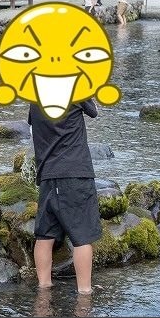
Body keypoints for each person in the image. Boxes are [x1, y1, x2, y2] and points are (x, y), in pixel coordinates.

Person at [28, 98, 100, 295]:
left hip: (47, 176)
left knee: (45, 235)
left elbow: (34, 126)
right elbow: (94, 111)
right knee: (82, 236)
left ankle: (43, 291)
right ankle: (85, 294)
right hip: (74, 174)